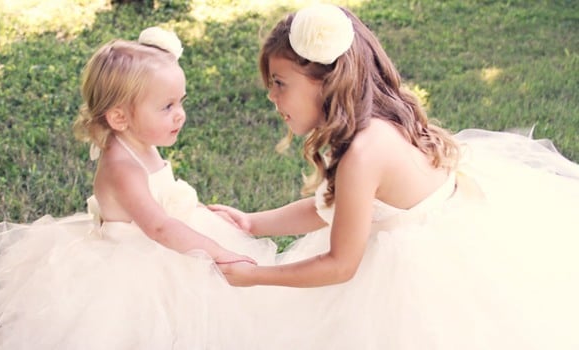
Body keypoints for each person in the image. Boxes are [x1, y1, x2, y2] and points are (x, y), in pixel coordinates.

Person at [209, 4, 579, 349]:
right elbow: (335, 208)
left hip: (424, 277)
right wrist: (252, 223)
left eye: (279, 83)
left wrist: (258, 276)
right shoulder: (374, 125)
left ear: (324, 80)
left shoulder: (363, 154)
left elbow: (340, 264)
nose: (271, 96)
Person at [0, 27, 275, 349]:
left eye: (181, 102)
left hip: (164, 245)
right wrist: (219, 252)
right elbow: (160, 226)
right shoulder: (122, 166)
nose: (181, 115)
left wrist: (202, 214)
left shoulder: (142, 142)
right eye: (167, 107)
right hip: (131, 263)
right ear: (120, 118)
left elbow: (164, 206)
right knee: (137, 330)